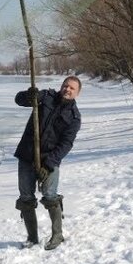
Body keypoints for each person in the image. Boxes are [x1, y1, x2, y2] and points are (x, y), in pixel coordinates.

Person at [13, 75, 82, 250]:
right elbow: (19, 100)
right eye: (66, 85)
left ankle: (57, 235)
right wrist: (29, 96)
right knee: (26, 198)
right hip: (27, 155)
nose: (67, 89)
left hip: (50, 159)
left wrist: (49, 164)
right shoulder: (46, 97)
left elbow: (66, 144)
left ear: (77, 93)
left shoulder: (74, 117)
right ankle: (32, 237)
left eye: (72, 88)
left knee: (50, 196)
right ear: (61, 86)